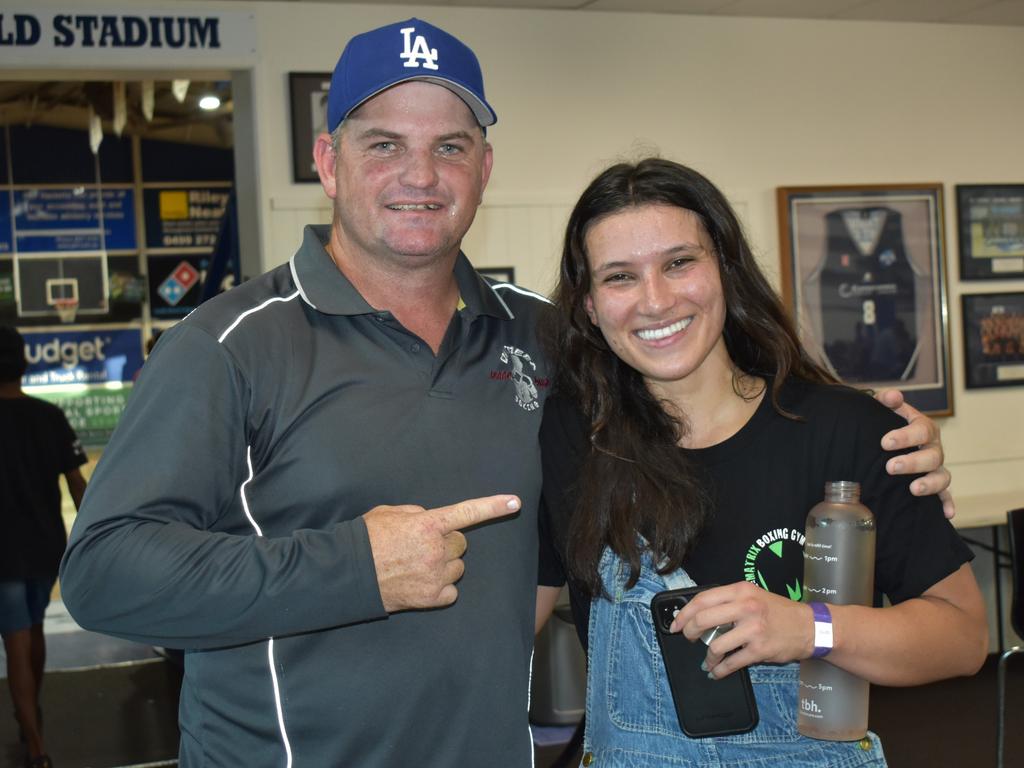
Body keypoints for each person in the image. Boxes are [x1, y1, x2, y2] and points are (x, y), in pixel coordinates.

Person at [59, 19, 949, 768]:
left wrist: (883, 448)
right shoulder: (228, 347)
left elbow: (695, 399)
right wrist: (352, 567)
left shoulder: (550, 337)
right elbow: (104, 575)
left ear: (484, 167)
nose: (421, 175)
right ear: (329, 162)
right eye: (385, 146)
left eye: (451, 146)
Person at [535, 158, 987, 766]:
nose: (655, 300)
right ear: (589, 304)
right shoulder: (567, 438)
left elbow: (961, 637)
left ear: (723, 266)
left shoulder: (848, 432)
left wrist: (811, 629)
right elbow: (510, 629)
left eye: (678, 263)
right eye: (620, 277)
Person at [1, 326, 88, 768]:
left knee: (17, 641)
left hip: (5, 555)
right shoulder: (48, 416)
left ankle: (34, 745)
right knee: (31, 631)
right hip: (44, 547)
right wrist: (95, 540)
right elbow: (79, 486)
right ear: (25, 363)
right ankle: (28, 717)